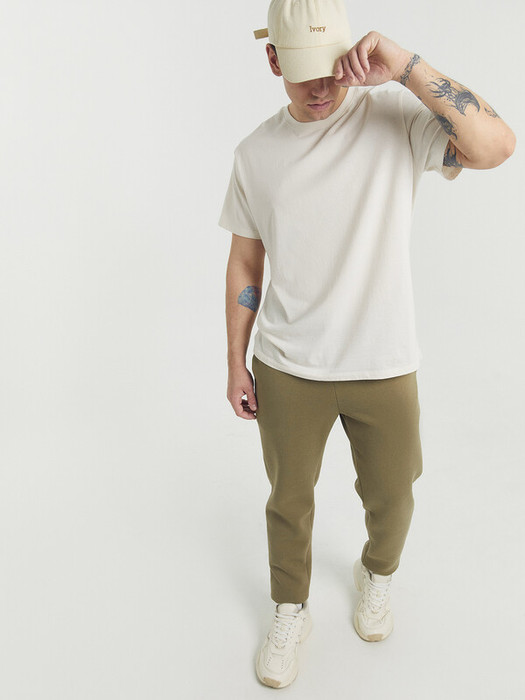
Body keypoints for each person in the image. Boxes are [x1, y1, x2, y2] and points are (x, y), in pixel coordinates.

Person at [218, 0, 515, 689]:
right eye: (303, 71)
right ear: (272, 61)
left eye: (331, 68)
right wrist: (235, 360)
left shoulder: (395, 121)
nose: (322, 86)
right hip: (287, 364)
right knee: (288, 499)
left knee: (394, 495)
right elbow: (244, 262)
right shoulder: (255, 154)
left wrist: (404, 67)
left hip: (383, 360)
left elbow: (497, 146)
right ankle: (290, 607)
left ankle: (376, 574)